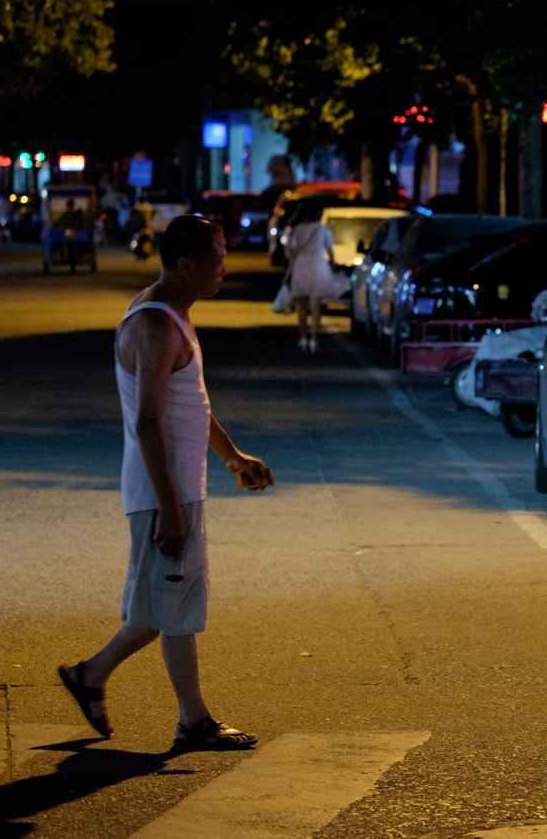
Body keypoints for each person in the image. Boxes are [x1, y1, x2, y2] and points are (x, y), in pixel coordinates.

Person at [58, 215, 275, 749]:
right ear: (183, 265)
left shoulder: (173, 315)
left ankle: (189, 715)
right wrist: (171, 507)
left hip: (177, 487)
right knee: (164, 606)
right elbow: (149, 421)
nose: (225, 268)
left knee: (174, 604)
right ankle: (97, 677)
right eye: (216, 259)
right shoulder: (156, 325)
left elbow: (189, 404)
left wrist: (232, 456)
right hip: (164, 491)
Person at [283, 217, 349, 352]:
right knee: (316, 306)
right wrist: (333, 264)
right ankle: (313, 339)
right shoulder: (323, 229)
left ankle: (302, 337)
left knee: (302, 305)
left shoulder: (299, 229)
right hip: (318, 266)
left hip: (302, 267)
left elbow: (293, 253)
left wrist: (288, 274)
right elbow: (330, 251)